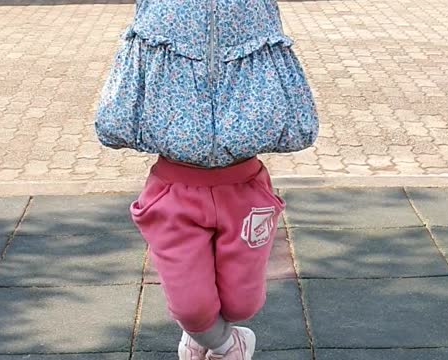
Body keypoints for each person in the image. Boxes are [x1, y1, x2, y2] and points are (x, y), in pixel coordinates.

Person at [94, 1, 319, 359]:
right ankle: (226, 344)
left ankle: (205, 337)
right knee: (192, 307)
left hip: (245, 188)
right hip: (174, 188)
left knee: (242, 305)